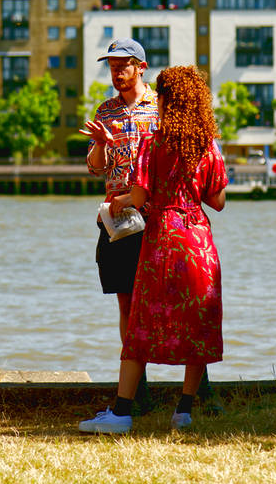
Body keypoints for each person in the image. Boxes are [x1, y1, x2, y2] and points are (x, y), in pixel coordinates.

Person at [79, 65, 228, 434]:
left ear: (165, 100)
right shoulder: (207, 145)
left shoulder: (153, 143)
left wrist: (124, 199)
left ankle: (123, 411)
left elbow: (142, 196)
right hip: (197, 239)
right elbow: (219, 200)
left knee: (141, 323)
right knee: (197, 322)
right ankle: (184, 410)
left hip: (161, 237)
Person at [79, 39, 158, 390]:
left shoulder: (160, 106)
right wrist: (100, 144)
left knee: (164, 299)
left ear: (141, 66)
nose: (117, 72)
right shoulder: (106, 111)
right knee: (126, 300)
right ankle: (136, 384)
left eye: (124, 65)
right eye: (112, 66)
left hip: (155, 216)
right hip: (119, 220)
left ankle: (195, 383)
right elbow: (95, 168)